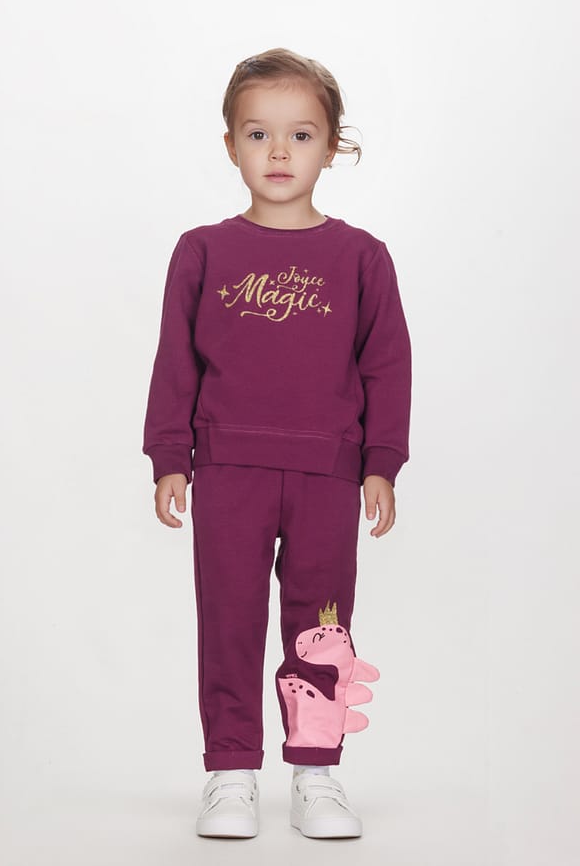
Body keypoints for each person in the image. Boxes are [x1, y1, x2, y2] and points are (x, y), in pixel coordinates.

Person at [142, 47, 412, 840]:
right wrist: (169, 458)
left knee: (321, 625)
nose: (280, 152)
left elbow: (387, 365)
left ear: (333, 147)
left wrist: (381, 464)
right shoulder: (202, 251)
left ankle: (316, 772)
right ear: (231, 145)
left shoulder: (362, 258)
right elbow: (175, 363)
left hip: (327, 477)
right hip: (229, 472)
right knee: (227, 621)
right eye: (259, 134)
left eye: (301, 134)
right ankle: (230, 773)